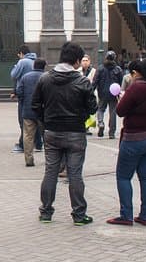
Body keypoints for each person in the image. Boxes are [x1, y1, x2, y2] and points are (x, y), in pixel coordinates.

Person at [32, 42, 98, 225]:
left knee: (50, 172)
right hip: (76, 132)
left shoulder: (45, 79)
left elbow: (35, 105)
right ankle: (79, 214)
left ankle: (46, 212)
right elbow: (92, 107)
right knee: (75, 174)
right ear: (77, 61)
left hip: (52, 131)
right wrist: (81, 115)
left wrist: (46, 121)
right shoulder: (82, 81)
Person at [107, 60, 146, 226]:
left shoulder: (136, 87)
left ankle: (126, 215)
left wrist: (122, 99)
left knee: (123, 176)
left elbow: (120, 111)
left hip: (135, 138)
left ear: (137, 73)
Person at [16, 58, 46, 167]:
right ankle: (50, 158)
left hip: (28, 111)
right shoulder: (47, 77)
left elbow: (19, 91)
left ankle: (29, 160)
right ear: (44, 66)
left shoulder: (25, 77)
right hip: (43, 112)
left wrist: (24, 102)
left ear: (34, 65)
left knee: (28, 136)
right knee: (46, 135)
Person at [10, 45, 37, 152]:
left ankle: (23, 144)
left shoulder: (22, 62)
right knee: (35, 119)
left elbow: (14, 75)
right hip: (35, 94)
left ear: (21, 53)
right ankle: (38, 143)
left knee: (23, 120)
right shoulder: (36, 60)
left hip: (24, 94)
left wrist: (15, 67)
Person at [94, 51, 124, 139]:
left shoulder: (100, 68)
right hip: (114, 94)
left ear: (106, 57)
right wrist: (119, 92)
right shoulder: (118, 69)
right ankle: (111, 132)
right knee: (113, 112)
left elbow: (95, 81)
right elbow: (121, 82)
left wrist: (91, 90)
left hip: (102, 93)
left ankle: (100, 123)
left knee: (100, 109)